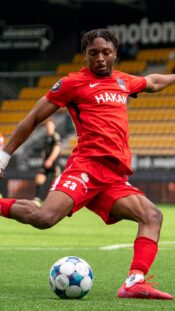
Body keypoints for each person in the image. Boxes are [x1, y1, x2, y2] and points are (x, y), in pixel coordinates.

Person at [0, 28, 174, 300]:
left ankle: (134, 282)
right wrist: (4, 156)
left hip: (113, 177)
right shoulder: (72, 83)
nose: (100, 58)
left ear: (115, 53)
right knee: (45, 218)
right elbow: (33, 117)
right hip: (85, 168)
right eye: (93, 53)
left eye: (106, 52)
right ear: (85, 56)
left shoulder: (123, 81)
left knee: (152, 216)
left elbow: (152, 81)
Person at [34, 118, 61, 202]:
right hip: (45, 162)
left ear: (54, 126)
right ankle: (37, 198)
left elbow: (57, 148)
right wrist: (44, 158)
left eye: (50, 125)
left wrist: (50, 160)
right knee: (39, 178)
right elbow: (44, 151)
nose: (49, 127)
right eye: (47, 125)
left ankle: (56, 200)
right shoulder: (46, 138)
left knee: (56, 181)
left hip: (53, 162)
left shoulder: (55, 136)